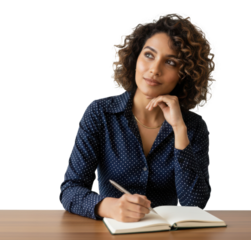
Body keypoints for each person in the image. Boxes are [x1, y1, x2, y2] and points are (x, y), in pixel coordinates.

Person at [59, 12, 216, 223]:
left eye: (170, 62)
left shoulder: (193, 127)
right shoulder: (101, 113)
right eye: (149, 55)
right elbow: (70, 189)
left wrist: (179, 130)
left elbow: (195, 205)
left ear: (184, 74)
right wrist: (108, 207)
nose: (154, 69)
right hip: (110, 232)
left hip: (165, 236)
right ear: (135, 58)